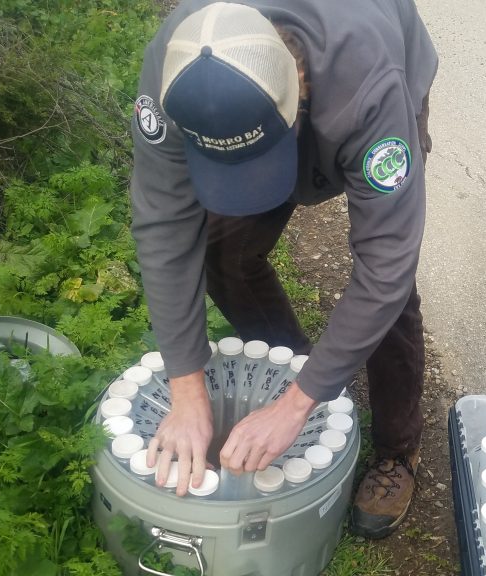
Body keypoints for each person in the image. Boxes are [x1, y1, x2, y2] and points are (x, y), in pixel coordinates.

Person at [128, 0, 437, 539]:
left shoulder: (369, 89)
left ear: (298, 85)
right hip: (266, 108)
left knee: (390, 291)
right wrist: (186, 386)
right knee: (223, 251)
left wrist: (295, 409)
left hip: (375, 71)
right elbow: (162, 225)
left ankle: (396, 449)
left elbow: (386, 264)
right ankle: (297, 373)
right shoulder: (172, 80)